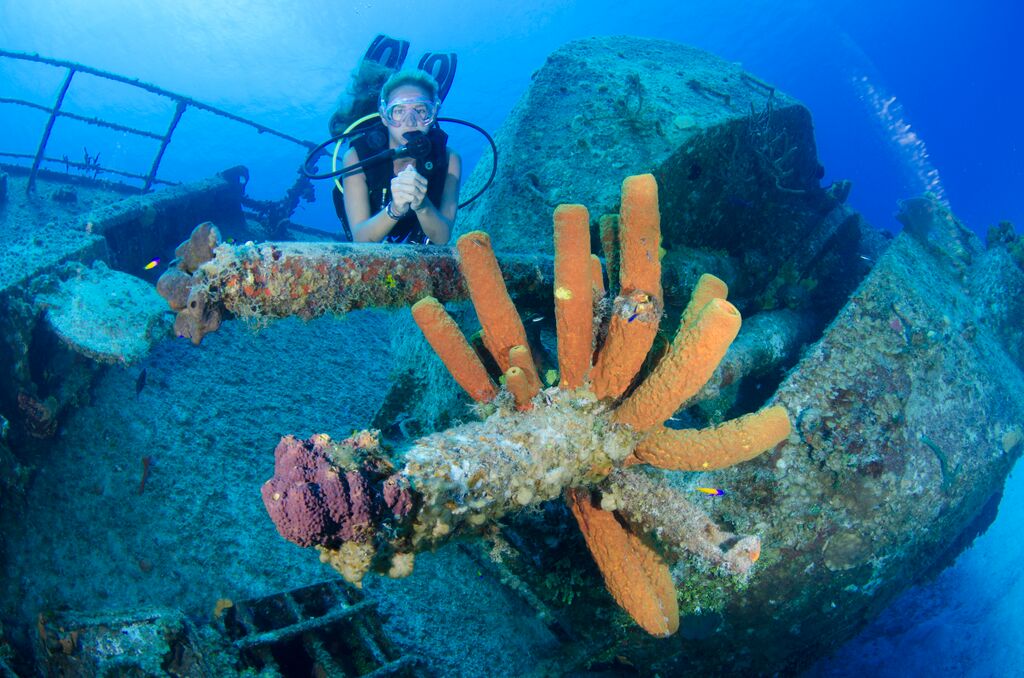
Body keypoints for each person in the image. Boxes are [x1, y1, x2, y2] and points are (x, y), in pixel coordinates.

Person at [340, 69, 461, 245]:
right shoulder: (356, 158)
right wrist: (395, 208)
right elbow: (361, 238)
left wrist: (422, 205)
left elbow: (442, 237)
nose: (410, 121)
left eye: (420, 110)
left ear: (433, 114)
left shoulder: (450, 159)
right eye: (398, 111)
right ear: (384, 116)